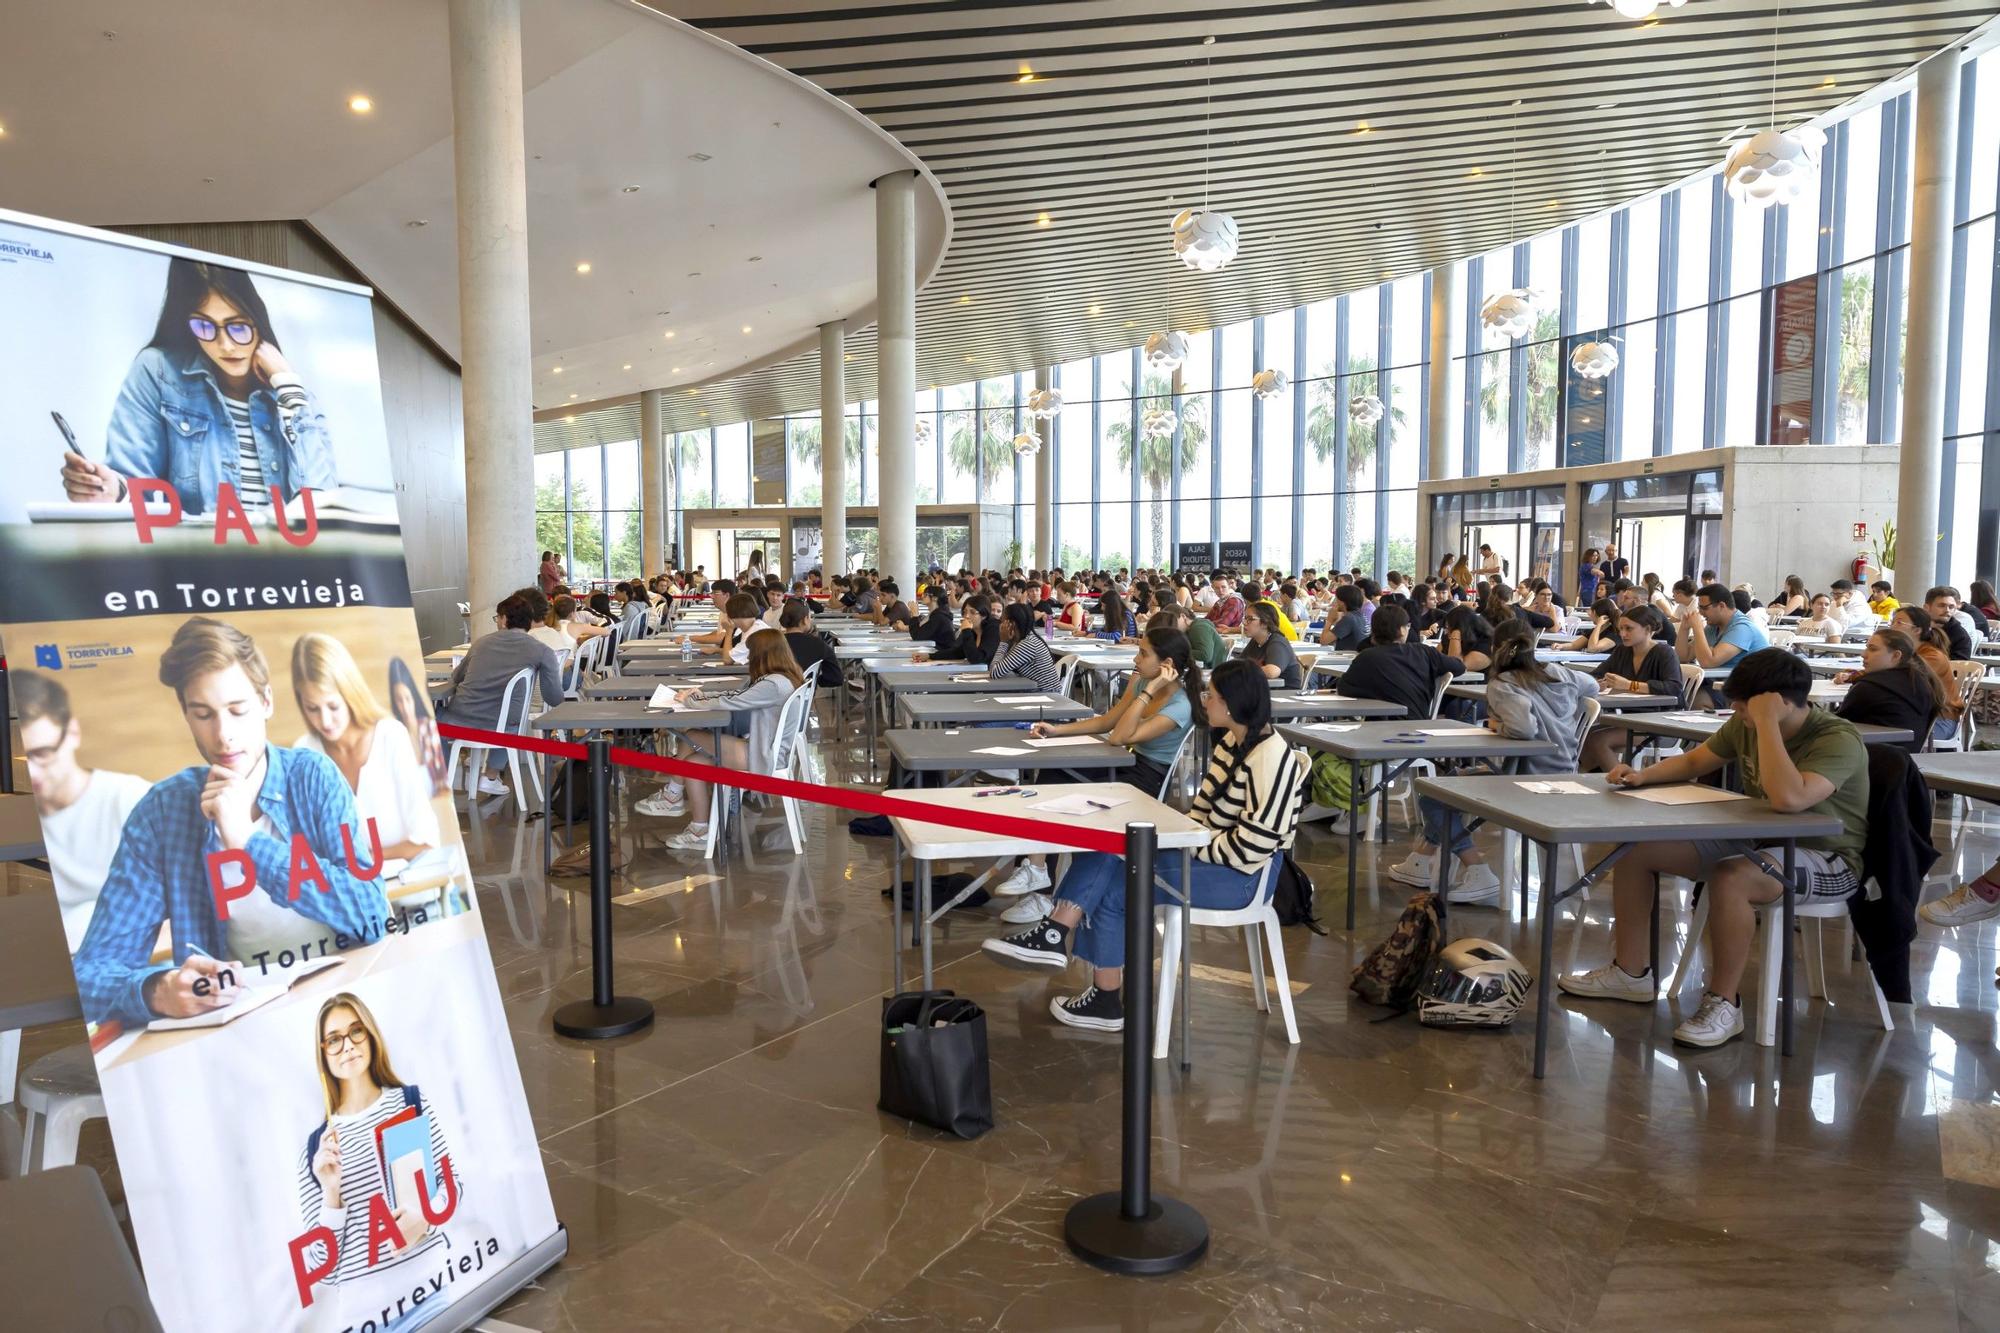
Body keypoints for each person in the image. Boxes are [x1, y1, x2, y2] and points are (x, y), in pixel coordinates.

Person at [73, 619, 393, 1029]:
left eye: (237, 710)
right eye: (203, 714)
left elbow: (371, 913)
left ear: (266, 703)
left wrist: (247, 842)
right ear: (185, 714)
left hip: (350, 996)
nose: (223, 735)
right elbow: (92, 972)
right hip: (244, 1023)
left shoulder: (312, 776)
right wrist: (157, 990)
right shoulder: (162, 813)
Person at [1565, 650, 1870, 1048]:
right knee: (1637, 852)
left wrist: (1765, 724)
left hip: (1830, 859)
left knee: (1732, 878)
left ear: (1778, 702)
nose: (1739, 715)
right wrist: (1642, 775)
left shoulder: (1836, 738)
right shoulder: (1747, 726)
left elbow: (1790, 799)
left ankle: (1724, 1002)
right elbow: (1695, 760)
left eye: (1746, 708)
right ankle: (1631, 973)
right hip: (1759, 839)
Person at [982, 660, 1306, 1032]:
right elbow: (1201, 813)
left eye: (1211, 695)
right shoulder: (1233, 742)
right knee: (1115, 845)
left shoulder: (1272, 759)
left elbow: (1253, 848)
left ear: (1231, 705)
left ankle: (1089, 979)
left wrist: (1189, 845)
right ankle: (1058, 938)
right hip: (1215, 857)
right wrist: (1183, 839)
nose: (1205, 701)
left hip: (1242, 878)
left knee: (1120, 884)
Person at [61, 257, 333, 514]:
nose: (225, 345)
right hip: (197, 559)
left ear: (258, 322)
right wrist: (113, 491)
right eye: (205, 326)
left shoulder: (292, 393)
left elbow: (322, 505)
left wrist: (288, 388)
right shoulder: (158, 371)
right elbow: (136, 487)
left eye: (238, 327)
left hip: (283, 560)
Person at [992, 628, 1205, 922]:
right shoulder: (1143, 680)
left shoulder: (1180, 706)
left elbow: (1119, 736)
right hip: (1124, 763)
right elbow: (1107, 721)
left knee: (1063, 796)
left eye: (1143, 653)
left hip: (1145, 781)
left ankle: (1040, 886)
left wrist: (1146, 692)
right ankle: (1037, 872)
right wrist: (1058, 730)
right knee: (1052, 774)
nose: (1136, 658)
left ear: (1166, 664)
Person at [1390, 622, 1599, 905]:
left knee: (1432, 793)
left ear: (1494, 649)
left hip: (1523, 778)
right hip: (1563, 772)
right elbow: (1593, 686)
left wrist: (1498, 725)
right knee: (1448, 782)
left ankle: (1477, 869)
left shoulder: (1503, 684)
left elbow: (1524, 728)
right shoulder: (1559, 672)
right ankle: (1422, 858)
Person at [297, 992, 461, 1318]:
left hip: (429, 1291)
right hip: (364, 1317)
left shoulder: (409, 1103)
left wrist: (427, 1218)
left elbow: (453, 1186)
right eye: (333, 1039)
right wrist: (330, 1192)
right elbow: (322, 1268)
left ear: (370, 1035)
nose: (347, 1045)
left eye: (356, 1031)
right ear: (323, 1053)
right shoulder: (317, 1148)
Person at [15, 672, 151, 950]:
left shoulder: (130, 800)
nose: (34, 772)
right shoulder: (22, 815)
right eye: (25, 756)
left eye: (43, 753)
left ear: (73, 733)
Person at [639, 632, 806, 849]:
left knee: (690, 736)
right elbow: (738, 694)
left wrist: (691, 701)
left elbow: (733, 702)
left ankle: (672, 795)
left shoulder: (773, 684)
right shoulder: (782, 678)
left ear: (761, 655)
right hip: (765, 749)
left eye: (751, 652)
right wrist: (698, 697)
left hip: (763, 756)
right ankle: (699, 829)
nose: (747, 658)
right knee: (693, 765)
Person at [291, 634, 441, 864]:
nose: (325, 721)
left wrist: (363, 862)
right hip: (346, 892)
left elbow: (427, 839)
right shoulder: (304, 751)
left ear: (349, 693)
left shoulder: (390, 736)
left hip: (414, 889)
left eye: (333, 706)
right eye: (312, 708)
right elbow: (309, 845)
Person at [437, 595, 564, 794]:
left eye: (497, 617)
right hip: (505, 727)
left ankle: (441, 778)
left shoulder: (481, 643)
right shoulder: (542, 651)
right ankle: (490, 776)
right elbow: (554, 698)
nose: (497, 621)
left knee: (435, 717)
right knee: (510, 718)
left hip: (461, 722)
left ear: (504, 619)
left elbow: (457, 677)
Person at [1579, 607, 1685, 771]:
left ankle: (1624, 783)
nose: (1623, 634)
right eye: (1621, 629)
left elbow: (1674, 688)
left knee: (1597, 739)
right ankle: (1593, 781)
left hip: (1662, 725)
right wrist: (1596, 683)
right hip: (1629, 720)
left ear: (1648, 629)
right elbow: (1596, 674)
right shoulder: (1623, 651)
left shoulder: (1664, 653)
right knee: (1583, 734)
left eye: (1629, 629)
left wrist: (1629, 685)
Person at [1336, 605, 1464, 719]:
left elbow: (1343, 688)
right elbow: (1459, 667)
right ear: (1402, 630)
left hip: (1378, 727)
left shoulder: (1366, 657)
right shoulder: (1423, 652)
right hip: (1418, 723)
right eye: (1408, 626)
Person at [1832, 627, 1942, 754]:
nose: (1864, 654)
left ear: (1896, 655)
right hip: (1908, 762)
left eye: (1873, 649)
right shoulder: (1922, 681)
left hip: (1870, 761)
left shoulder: (1870, 687)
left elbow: (1835, 725)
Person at [1882, 606, 1964, 742]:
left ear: (1917, 630)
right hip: (1914, 713)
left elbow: (1900, 677)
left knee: (1888, 738)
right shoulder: (1905, 651)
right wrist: (1853, 674)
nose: (1892, 627)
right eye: (1893, 622)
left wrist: (1861, 675)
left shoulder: (1933, 656)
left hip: (1939, 719)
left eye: (1899, 622)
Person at [1678, 582, 1767, 672]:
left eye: (1704, 608)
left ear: (1721, 606)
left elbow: (1708, 662)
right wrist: (1684, 629)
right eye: (1699, 608)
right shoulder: (1712, 627)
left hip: (1750, 684)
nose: (1700, 612)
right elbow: (1684, 657)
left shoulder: (1742, 628)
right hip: (1722, 682)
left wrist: (1698, 628)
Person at [988, 604, 1061, 692]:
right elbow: (1000, 666)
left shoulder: (1028, 644)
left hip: (1045, 696)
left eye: (1003, 620)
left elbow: (994, 672)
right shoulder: (1024, 638)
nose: (1001, 624)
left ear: (1011, 624)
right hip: (1035, 691)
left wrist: (1003, 642)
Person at [915, 593, 1000, 666]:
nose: (967, 616)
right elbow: (959, 652)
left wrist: (966, 631)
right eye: (965, 612)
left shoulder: (994, 629)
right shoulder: (975, 630)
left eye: (972, 612)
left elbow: (977, 659)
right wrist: (930, 656)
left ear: (984, 615)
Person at [1241, 602, 1304, 689]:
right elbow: (1239, 664)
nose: (1244, 622)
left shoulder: (1278, 642)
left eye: (1250, 619)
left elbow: (1272, 672)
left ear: (1265, 623)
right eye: (1244, 618)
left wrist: (1242, 671)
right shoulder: (1256, 641)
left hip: (1283, 695)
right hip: (1263, 691)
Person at [779, 599, 839, 685]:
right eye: (810, 617)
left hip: (773, 694)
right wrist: (815, 681)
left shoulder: (773, 643)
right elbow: (836, 678)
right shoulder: (818, 644)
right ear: (805, 619)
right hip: (804, 695)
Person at [1924, 586, 1976, 660]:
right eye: (1941, 606)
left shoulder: (1961, 636)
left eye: (1951, 607)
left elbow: (1959, 666)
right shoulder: (1916, 628)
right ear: (1927, 607)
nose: (1947, 610)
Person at [1441, 605, 1495, 674]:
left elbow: (1455, 668)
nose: (1447, 632)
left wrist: (1455, 635)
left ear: (1461, 628)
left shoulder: (1486, 645)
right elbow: (1435, 660)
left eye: (1449, 627)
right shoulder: (1448, 638)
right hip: (1450, 683)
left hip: (1475, 683)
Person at [1318, 585, 1369, 652]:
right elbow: (1332, 640)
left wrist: (1329, 620)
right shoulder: (1360, 615)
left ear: (1342, 602)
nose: (1334, 602)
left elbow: (1323, 641)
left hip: (1348, 659)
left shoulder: (1349, 618)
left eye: (1336, 599)